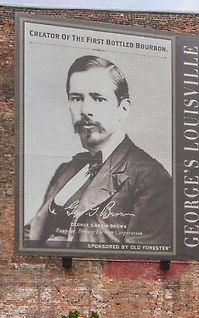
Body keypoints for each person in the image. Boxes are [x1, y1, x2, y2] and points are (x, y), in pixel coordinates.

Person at [24, 55, 173, 250]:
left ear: (123, 109)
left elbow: (136, 262)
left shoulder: (151, 178)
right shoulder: (66, 170)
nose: (85, 109)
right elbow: (31, 234)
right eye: (76, 98)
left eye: (98, 98)